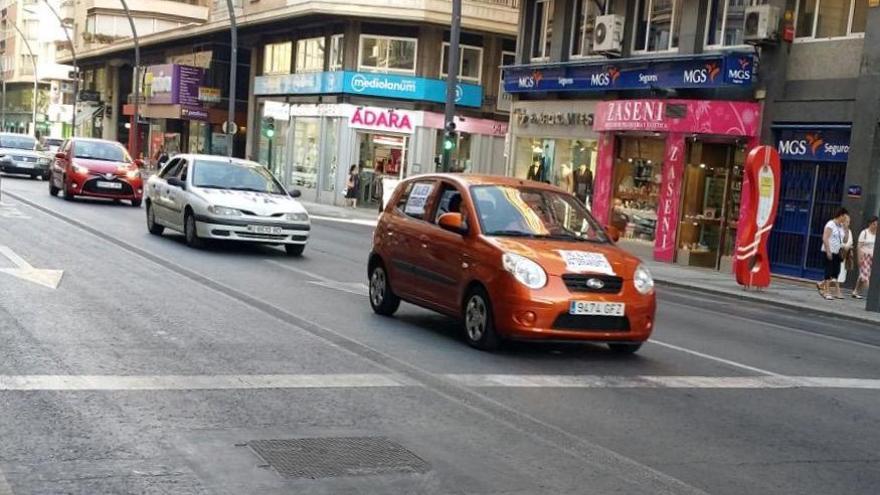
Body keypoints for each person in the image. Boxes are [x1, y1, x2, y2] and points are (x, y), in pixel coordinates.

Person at [818, 208, 850, 300]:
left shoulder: (841, 226)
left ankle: (827, 290)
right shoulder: (830, 224)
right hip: (828, 251)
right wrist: (828, 251)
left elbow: (845, 240)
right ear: (841, 215)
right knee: (828, 271)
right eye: (845, 217)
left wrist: (846, 228)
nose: (846, 219)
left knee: (835, 272)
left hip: (837, 252)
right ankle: (827, 291)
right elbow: (825, 238)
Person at [852, 215, 877, 299]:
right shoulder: (864, 233)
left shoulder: (877, 234)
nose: (875, 226)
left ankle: (855, 291)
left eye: (877, 224)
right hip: (864, 257)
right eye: (874, 224)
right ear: (870, 224)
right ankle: (872, 295)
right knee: (866, 276)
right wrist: (859, 259)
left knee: (862, 276)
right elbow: (859, 246)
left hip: (873, 258)